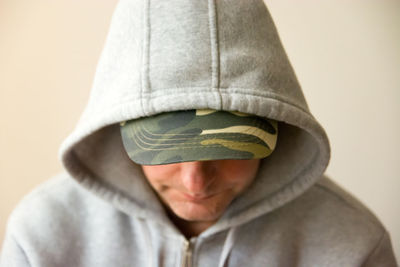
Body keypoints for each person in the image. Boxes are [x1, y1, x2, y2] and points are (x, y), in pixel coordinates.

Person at [1, 0, 397, 266]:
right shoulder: (43, 235)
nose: (195, 179)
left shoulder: (352, 246)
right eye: (165, 146)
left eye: (228, 146)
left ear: (277, 126)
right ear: (118, 127)